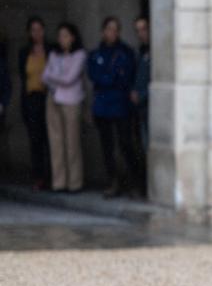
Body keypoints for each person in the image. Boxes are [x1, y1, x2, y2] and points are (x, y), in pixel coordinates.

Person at [87, 16, 139, 198]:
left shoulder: (126, 52)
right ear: (103, 31)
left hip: (121, 105)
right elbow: (94, 75)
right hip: (102, 106)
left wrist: (109, 78)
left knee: (126, 144)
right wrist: (111, 77)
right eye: (109, 28)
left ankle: (135, 181)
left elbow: (126, 76)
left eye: (116, 29)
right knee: (106, 146)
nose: (113, 32)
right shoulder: (95, 54)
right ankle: (113, 182)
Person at [42, 23, 87, 193]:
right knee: (56, 142)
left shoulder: (79, 55)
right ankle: (59, 182)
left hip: (71, 101)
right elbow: (44, 76)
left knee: (72, 142)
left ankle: (74, 182)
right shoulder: (54, 54)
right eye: (60, 35)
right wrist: (56, 77)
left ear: (73, 37)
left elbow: (69, 78)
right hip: (53, 99)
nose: (62, 39)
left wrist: (53, 76)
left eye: (65, 35)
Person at [17, 17, 54, 190]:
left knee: (50, 139)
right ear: (29, 33)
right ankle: (38, 177)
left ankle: (53, 176)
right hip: (32, 99)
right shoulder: (24, 52)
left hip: (48, 98)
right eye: (33, 30)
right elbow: (23, 76)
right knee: (35, 139)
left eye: (40, 29)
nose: (37, 33)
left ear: (44, 31)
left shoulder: (51, 49)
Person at [131, 15, 151, 195]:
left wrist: (142, 94)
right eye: (138, 30)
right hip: (140, 108)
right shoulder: (140, 52)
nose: (141, 33)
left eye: (144, 29)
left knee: (149, 147)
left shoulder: (155, 52)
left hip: (151, 107)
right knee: (142, 148)